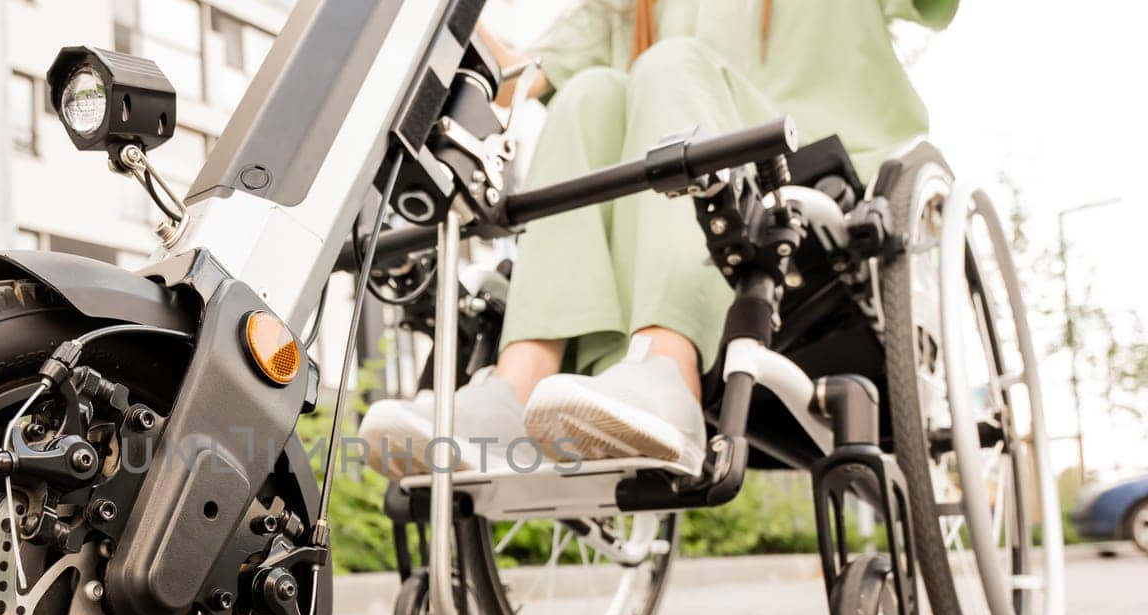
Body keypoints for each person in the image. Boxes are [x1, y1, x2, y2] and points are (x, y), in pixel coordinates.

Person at [361, 0, 957, 478]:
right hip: (666, 226)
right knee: (588, 95)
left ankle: (668, 369)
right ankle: (518, 385)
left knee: (669, 62)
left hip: (808, 186)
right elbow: (513, 78)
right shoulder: (629, 6)